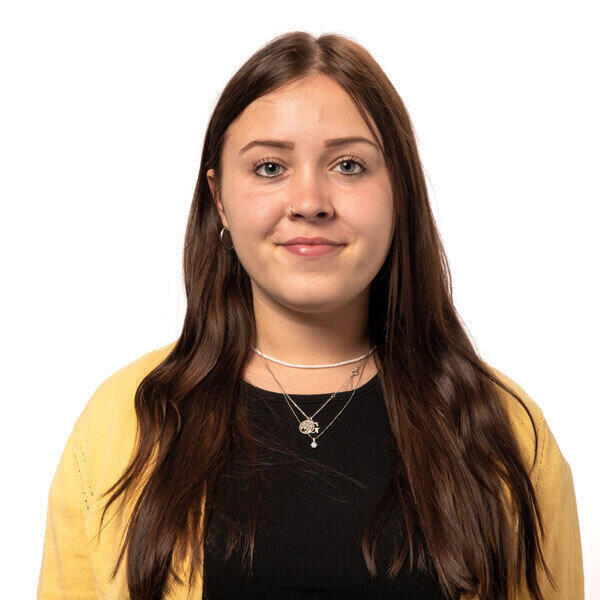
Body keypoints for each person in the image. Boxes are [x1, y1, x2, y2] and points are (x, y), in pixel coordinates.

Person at [37, 31, 584, 600]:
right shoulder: (123, 426)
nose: (309, 202)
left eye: (349, 165)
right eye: (270, 167)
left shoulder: (505, 434)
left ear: (400, 190)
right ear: (219, 197)